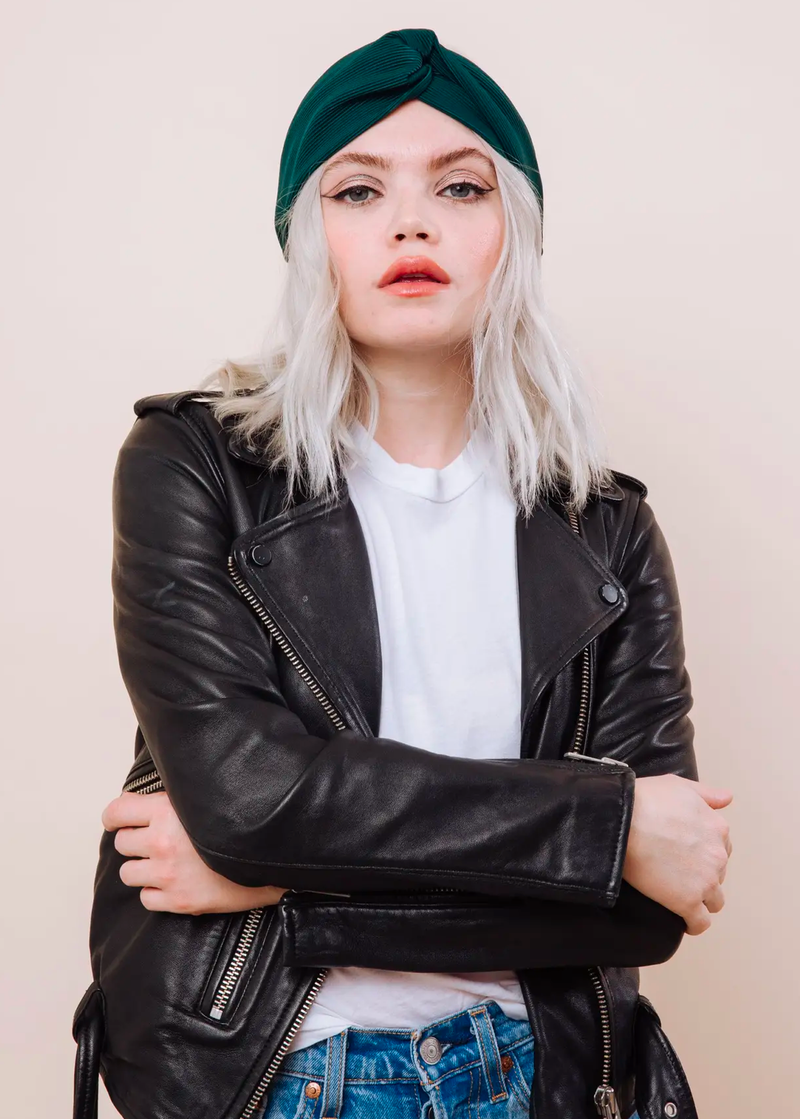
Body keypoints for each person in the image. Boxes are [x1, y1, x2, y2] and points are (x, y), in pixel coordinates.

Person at [73, 28, 733, 1119]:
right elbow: (249, 798)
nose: (410, 222)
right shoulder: (194, 467)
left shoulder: (606, 530)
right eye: (358, 190)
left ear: (514, 233)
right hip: (278, 1079)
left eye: (460, 187)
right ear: (308, 239)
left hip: (540, 1075)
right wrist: (606, 824)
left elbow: (645, 908)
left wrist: (284, 888)